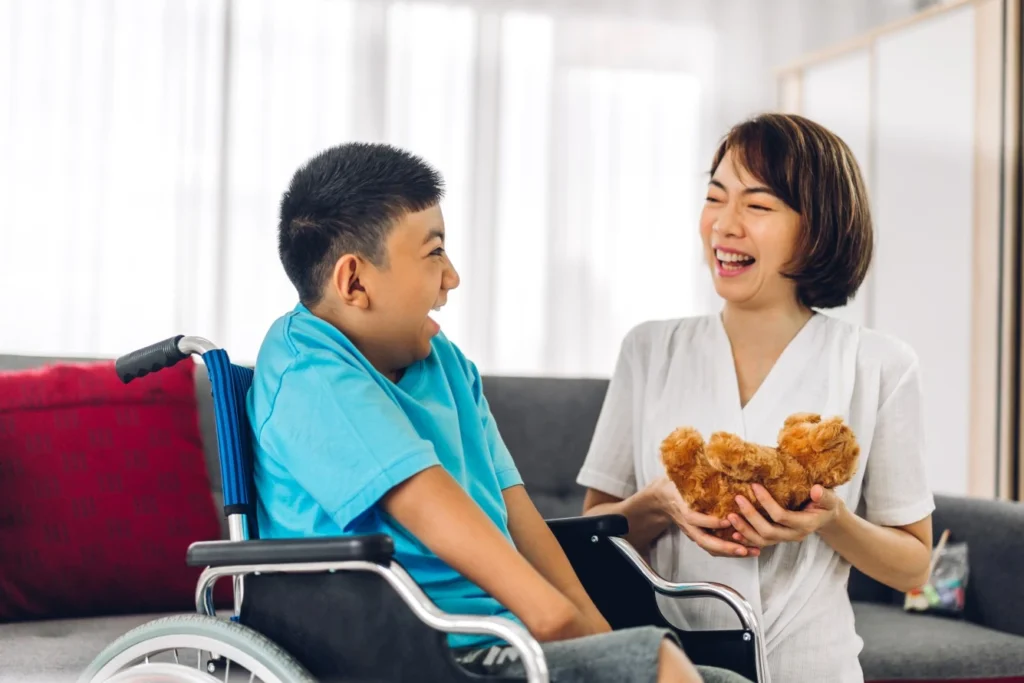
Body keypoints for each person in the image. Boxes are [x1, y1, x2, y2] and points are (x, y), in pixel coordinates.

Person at [246, 142, 746, 683]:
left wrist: (606, 640)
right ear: (355, 282)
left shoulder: (448, 367)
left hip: (501, 645)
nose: (452, 276)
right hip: (407, 654)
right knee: (658, 666)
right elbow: (539, 606)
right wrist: (602, 647)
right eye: (434, 252)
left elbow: (522, 525)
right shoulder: (309, 376)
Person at [578, 113, 935, 683]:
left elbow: (914, 564)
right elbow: (594, 528)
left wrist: (830, 520)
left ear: (817, 228)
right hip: (675, 666)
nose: (725, 224)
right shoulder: (650, 349)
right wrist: (662, 502)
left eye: (758, 206)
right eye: (715, 197)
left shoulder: (880, 364)